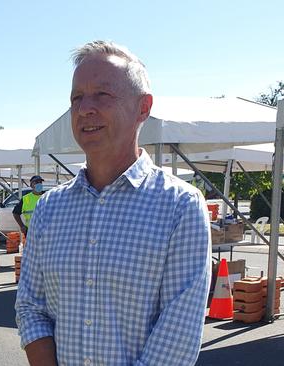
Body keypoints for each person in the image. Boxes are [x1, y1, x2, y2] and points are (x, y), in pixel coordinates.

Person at [15, 41, 211, 366]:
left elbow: (177, 336)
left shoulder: (180, 206)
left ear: (143, 108)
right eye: (76, 98)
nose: (84, 109)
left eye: (102, 95)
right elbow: (31, 307)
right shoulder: (50, 209)